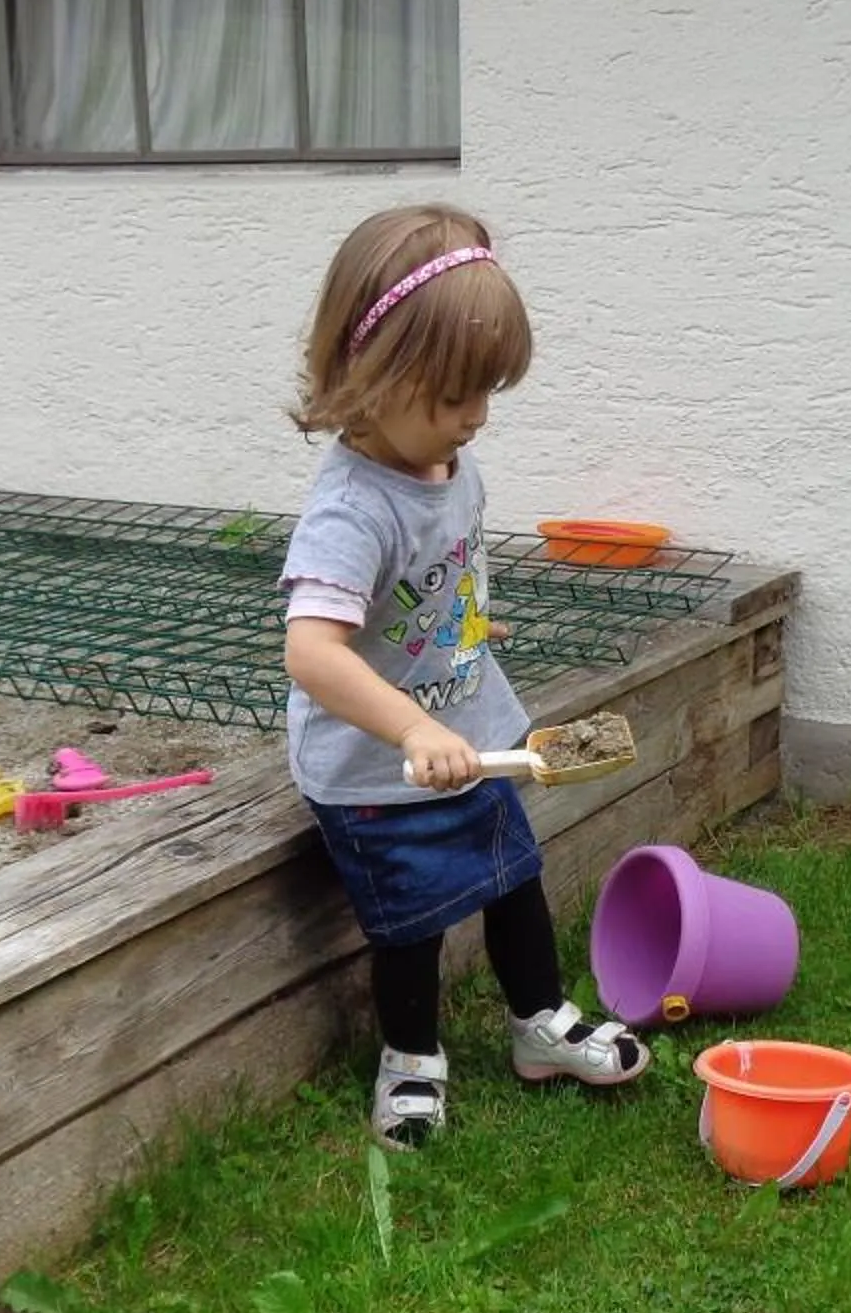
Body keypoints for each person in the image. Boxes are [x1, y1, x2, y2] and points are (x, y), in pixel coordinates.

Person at [278, 204, 650, 1149]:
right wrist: (408, 728)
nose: (475, 417)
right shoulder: (352, 511)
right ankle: (411, 1061)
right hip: (379, 771)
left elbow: (442, 577)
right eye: (453, 395)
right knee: (409, 922)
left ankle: (539, 1023)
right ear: (372, 374)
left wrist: (463, 630)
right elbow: (312, 650)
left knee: (512, 878)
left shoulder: (450, 461)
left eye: (487, 391)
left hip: (473, 734)